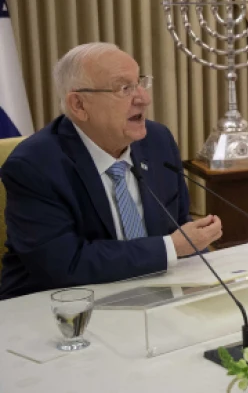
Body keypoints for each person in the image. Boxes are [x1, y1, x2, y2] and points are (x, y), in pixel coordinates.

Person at [0, 43, 223, 299]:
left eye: (140, 83)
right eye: (124, 88)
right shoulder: (34, 165)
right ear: (79, 105)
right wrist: (170, 248)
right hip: (58, 304)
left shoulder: (157, 141)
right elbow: (64, 265)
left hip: (154, 292)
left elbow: (180, 227)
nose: (144, 98)